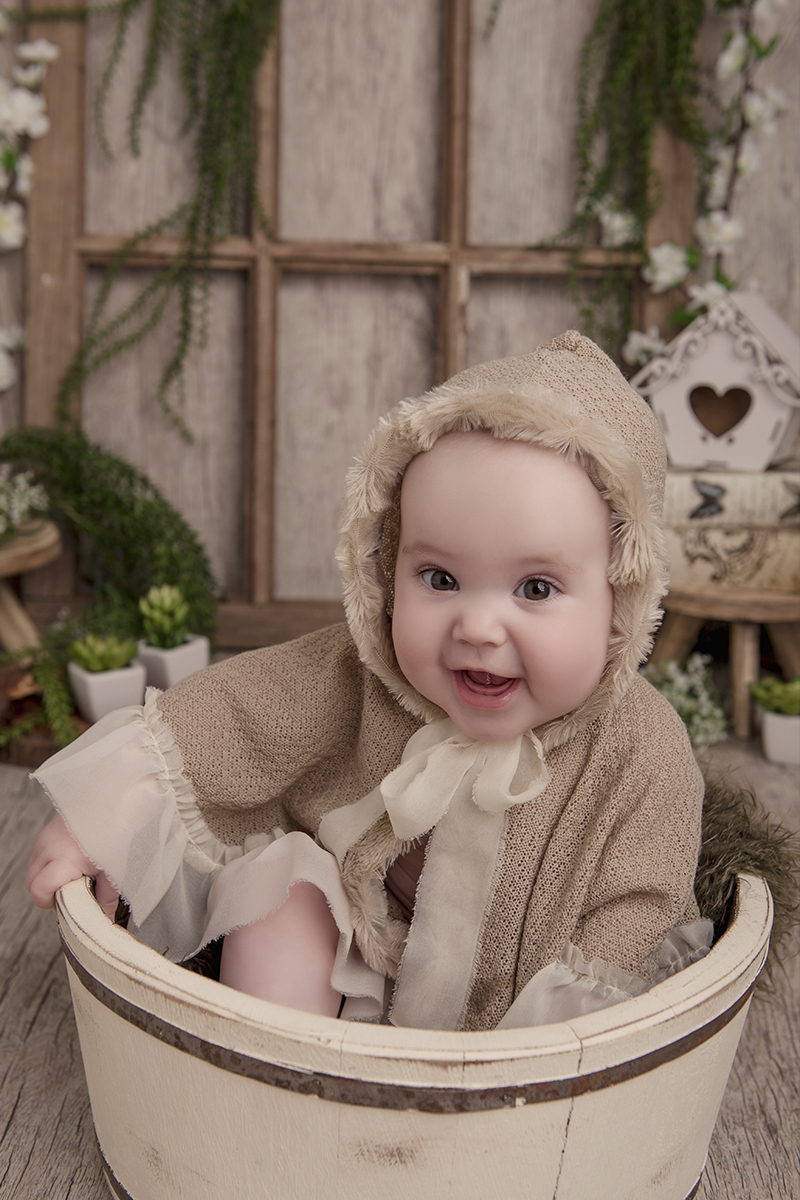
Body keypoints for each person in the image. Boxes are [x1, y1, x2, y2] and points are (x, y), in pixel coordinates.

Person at [25, 331, 711, 1031]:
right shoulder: (362, 676)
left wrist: (565, 1035)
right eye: (439, 578)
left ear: (622, 600)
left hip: (517, 1021)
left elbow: (641, 902)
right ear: (387, 567)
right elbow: (230, 717)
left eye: (535, 588)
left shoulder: (642, 750)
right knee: (289, 894)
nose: (478, 627)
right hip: (359, 968)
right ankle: (272, 1060)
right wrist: (106, 813)